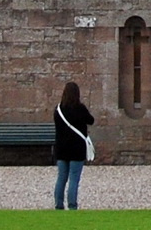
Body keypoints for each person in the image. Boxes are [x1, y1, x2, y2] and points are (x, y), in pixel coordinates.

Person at [52, 81, 95, 210]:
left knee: (61, 178)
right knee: (74, 179)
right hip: (76, 148)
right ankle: (72, 205)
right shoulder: (80, 109)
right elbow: (91, 120)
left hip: (61, 149)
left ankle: (59, 204)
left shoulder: (58, 110)